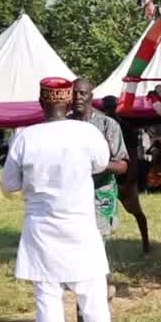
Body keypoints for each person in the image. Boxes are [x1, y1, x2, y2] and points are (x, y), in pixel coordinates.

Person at [1, 77, 121, 322]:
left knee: (47, 299)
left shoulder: (25, 137)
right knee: (92, 297)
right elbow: (100, 164)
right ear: (68, 102)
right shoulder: (86, 132)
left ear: (41, 103)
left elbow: (10, 183)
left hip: (41, 227)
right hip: (80, 223)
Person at [69, 81, 129, 239]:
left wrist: (96, 163)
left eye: (83, 93)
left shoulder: (107, 125)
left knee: (97, 241)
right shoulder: (62, 125)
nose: (78, 98)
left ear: (91, 96)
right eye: (73, 93)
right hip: (69, 195)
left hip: (100, 193)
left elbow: (122, 165)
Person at [99, 94, 152, 254]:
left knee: (136, 212)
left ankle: (146, 243)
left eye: (111, 107)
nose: (109, 111)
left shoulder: (126, 128)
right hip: (106, 179)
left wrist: (129, 180)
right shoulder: (99, 126)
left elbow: (132, 156)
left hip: (124, 179)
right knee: (101, 214)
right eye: (107, 108)